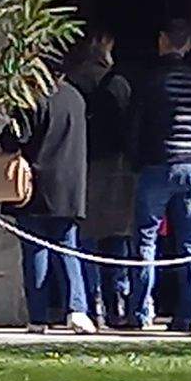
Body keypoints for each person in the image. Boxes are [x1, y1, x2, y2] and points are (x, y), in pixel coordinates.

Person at [124, 21, 191, 332]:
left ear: (163, 41)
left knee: (146, 239)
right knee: (190, 241)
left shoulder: (150, 81)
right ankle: (186, 314)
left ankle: (140, 311)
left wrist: (136, 160)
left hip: (157, 164)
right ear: (189, 45)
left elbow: (135, 125)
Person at [0, 62, 94, 332]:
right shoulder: (76, 97)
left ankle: (38, 317)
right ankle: (77, 308)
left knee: (35, 251)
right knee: (68, 248)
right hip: (69, 187)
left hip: (36, 186)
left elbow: (14, 139)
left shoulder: (33, 99)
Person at [72, 32, 138, 327]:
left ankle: (89, 302)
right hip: (116, 167)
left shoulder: (73, 84)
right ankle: (116, 303)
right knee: (117, 237)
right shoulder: (118, 84)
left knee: (86, 238)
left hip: (84, 165)